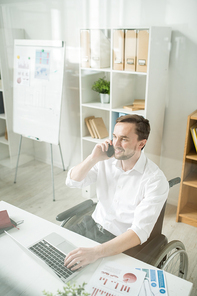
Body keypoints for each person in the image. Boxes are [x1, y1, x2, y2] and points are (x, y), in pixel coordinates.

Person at [64, 114, 169, 271]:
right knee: (50, 254)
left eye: (124, 139)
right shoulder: (105, 160)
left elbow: (139, 232)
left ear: (141, 143)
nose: (116, 144)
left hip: (119, 242)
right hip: (90, 225)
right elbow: (73, 181)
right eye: (114, 136)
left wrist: (95, 252)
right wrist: (93, 159)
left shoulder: (155, 180)